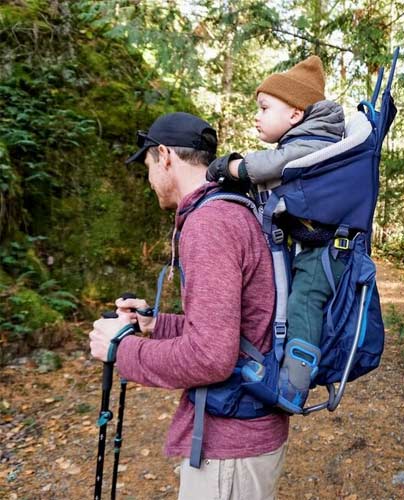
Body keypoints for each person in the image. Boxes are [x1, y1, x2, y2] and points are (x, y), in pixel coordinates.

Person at [89, 112, 289, 500]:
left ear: (164, 155)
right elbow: (228, 327)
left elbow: (212, 356)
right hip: (244, 435)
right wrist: (154, 325)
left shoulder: (210, 223)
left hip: (230, 449)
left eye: (148, 165)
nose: (149, 180)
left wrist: (122, 349)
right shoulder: (231, 208)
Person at [207, 56, 345, 409]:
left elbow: (271, 166)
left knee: (304, 302)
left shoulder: (312, 144)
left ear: (296, 114)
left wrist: (234, 167)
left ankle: (294, 386)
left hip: (325, 252)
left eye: (265, 107)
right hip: (314, 245)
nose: (257, 115)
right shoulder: (309, 141)